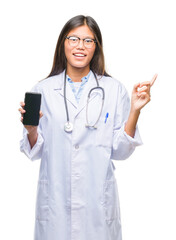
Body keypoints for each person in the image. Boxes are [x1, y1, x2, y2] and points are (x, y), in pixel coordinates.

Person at [19, 15, 157, 240]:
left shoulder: (113, 90)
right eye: (73, 39)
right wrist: (31, 130)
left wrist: (135, 111)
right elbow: (34, 152)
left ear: (96, 47)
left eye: (88, 41)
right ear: (63, 43)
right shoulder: (43, 90)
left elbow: (120, 152)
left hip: (97, 208)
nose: (80, 46)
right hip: (55, 206)